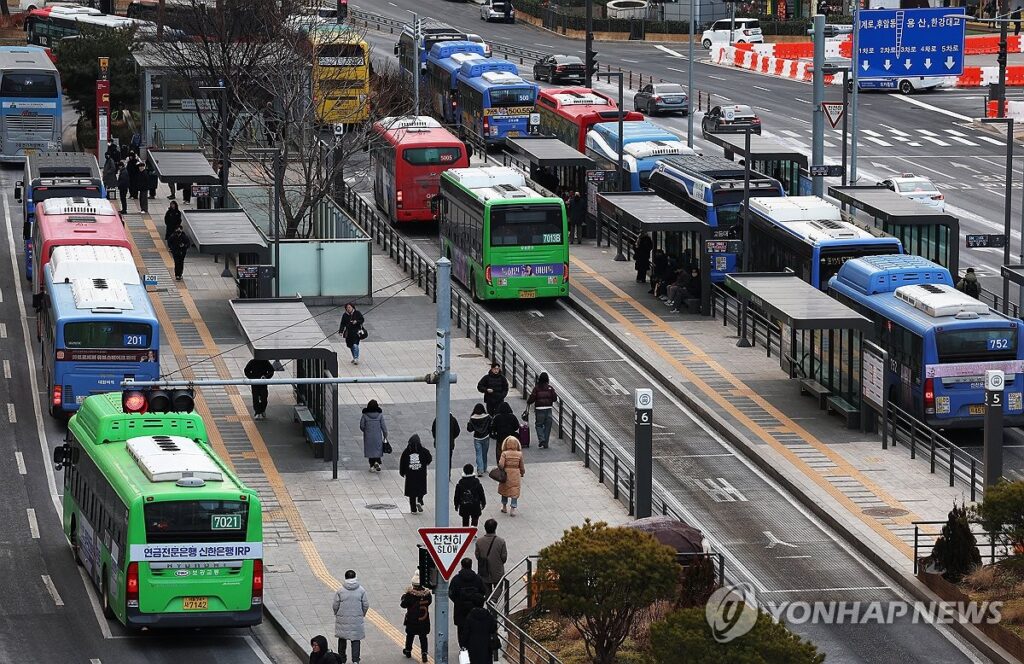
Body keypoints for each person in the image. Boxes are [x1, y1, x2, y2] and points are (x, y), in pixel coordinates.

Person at [448, 558, 486, 649]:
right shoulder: (478, 579)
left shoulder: (456, 579)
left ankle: (463, 647)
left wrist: (457, 602)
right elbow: (483, 591)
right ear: (471, 565)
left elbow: (451, 593)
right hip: (474, 609)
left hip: (460, 610)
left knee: (461, 629)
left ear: (461, 566)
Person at [332, 570, 369, 664]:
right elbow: (366, 605)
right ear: (355, 577)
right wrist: (362, 614)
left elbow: (335, 605)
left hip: (342, 619)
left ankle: (342, 659)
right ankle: (355, 660)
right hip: (356, 620)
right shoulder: (361, 590)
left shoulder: (340, 590)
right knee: (356, 640)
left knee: (342, 639)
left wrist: (337, 613)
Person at [400, 576, 431, 662]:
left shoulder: (410, 595)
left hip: (412, 620)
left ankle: (408, 650)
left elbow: (403, 605)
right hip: (423, 620)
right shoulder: (427, 595)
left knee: (410, 635)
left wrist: (403, 598)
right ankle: (424, 653)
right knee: (423, 637)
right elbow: (429, 602)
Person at [474, 518, 507, 597]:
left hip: (484, 570)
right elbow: (504, 557)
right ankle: (494, 599)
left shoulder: (479, 541)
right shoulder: (501, 541)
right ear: (495, 528)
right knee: (498, 587)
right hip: (497, 569)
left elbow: (477, 555)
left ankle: (489, 602)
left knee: (486, 588)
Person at [399, 434, 432, 513]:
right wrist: (424, 464)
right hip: (421, 474)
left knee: (412, 493)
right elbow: (429, 459)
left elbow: (402, 463)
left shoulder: (406, 452)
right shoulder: (423, 451)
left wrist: (402, 472)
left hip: (410, 475)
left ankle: (413, 509)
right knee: (421, 489)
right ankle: (419, 501)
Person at [525, 372, 557, 449]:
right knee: (548, 426)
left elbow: (532, 398)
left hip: (539, 410)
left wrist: (528, 402)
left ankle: (542, 439)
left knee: (538, 425)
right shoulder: (550, 388)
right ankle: (545, 442)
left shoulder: (536, 388)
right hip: (549, 409)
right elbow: (555, 398)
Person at [464, 595, 498, 664]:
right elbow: (493, 628)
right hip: (486, 643)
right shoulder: (488, 615)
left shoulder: (470, 617)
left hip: (473, 644)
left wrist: (464, 643)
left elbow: (466, 631)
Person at [497, 435, 525, 517]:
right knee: (514, 491)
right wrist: (522, 473)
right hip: (515, 474)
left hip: (506, 473)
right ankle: (513, 508)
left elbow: (501, 465)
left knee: (504, 490)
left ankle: (504, 506)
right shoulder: (519, 454)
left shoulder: (504, 453)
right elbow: (522, 466)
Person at [359, 399, 388, 472]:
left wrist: (366, 431)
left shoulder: (365, 415)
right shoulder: (380, 415)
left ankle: (372, 465)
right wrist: (385, 435)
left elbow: (362, 426)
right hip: (377, 436)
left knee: (370, 451)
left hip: (368, 437)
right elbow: (383, 427)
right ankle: (377, 462)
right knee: (377, 450)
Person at [466, 403, 492, 476]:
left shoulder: (473, 418)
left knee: (478, 454)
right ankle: (484, 467)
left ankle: (480, 470)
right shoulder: (487, 417)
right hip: (486, 437)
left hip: (477, 438)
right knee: (484, 453)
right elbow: (491, 425)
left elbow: (470, 429)